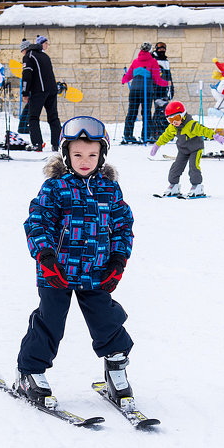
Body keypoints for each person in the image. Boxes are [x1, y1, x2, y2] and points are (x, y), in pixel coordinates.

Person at [14, 116, 135, 406]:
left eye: (92, 155)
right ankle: (29, 372)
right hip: (56, 270)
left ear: (101, 155)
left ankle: (115, 370)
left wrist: (118, 260)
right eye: (78, 154)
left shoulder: (109, 188)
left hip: (97, 271)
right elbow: (37, 222)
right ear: (66, 154)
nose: (85, 161)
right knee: (50, 322)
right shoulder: (55, 188)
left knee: (107, 320)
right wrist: (45, 257)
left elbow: (123, 225)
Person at [149, 100, 224, 198]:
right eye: (170, 120)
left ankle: (197, 186)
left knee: (193, 167)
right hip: (183, 149)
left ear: (183, 115)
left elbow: (204, 130)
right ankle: (174, 186)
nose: (174, 122)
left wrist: (215, 136)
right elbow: (165, 136)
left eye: (176, 118)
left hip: (195, 149)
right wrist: (157, 145)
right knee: (176, 167)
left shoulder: (191, 125)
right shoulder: (173, 127)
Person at [121, 43, 168, 143]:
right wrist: (166, 83)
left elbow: (128, 76)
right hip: (147, 91)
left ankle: (127, 135)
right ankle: (146, 136)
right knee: (146, 114)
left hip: (134, 91)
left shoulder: (135, 61)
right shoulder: (153, 61)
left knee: (132, 113)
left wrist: (124, 79)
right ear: (151, 51)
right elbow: (156, 79)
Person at [22, 34, 61, 151]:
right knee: (53, 117)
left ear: (25, 49)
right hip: (52, 90)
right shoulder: (45, 56)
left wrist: (25, 92)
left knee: (33, 118)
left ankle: (37, 144)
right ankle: (56, 144)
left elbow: (27, 75)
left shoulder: (29, 56)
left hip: (39, 91)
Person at [151, 41, 174, 138]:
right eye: (160, 48)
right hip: (156, 89)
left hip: (165, 89)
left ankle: (163, 131)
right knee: (158, 111)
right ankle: (156, 132)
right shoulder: (154, 59)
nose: (162, 50)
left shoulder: (165, 61)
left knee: (163, 111)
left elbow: (168, 76)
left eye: (164, 48)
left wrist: (171, 88)